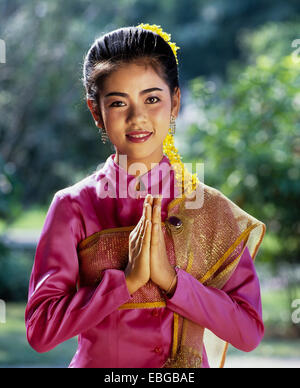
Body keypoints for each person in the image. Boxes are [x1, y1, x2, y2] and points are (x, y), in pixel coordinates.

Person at [25, 23, 266, 368]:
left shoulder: (208, 207)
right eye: (119, 103)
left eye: (152, 99)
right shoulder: (73, 206)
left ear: (175, 102)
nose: (137, 118)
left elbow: (248, 331)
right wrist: (125, 281)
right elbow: (40, 330)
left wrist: (171, 281)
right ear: (97, 112)